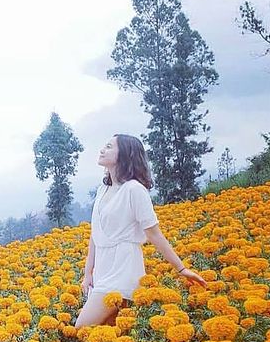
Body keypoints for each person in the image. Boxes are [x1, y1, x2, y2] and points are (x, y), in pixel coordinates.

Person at [75, 134, 207, 329]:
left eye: (109, 146)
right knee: (108, 334)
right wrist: (88, 274)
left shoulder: (134, 190)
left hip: (123, 268)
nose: (102, 149)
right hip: (103, 269)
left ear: (125, 155)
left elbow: (154, 234)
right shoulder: (102, 189)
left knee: (81, 328)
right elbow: (96, 234)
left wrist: (181, 269)